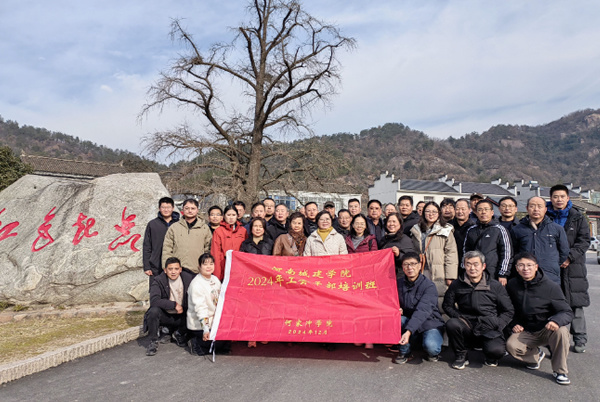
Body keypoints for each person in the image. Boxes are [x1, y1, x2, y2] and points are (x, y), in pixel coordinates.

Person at [506, 252, 574, 385]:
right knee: (511, 346)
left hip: (546, 328)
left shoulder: (550, 287)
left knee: (562, 331)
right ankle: (535, 356)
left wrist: (556, 321)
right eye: (521, 265)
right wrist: (513, 323)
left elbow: (566, 311)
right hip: (525, 330)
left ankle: (560, 371)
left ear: (536, 267)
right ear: (516, 268)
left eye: (529, 265)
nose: (526, 269)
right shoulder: (512, 285)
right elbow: (507, 309)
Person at [443, 251, 514, 369]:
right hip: (467, 324)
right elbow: (447, 306)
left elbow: (508, 311)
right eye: (468, 264)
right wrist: (459, 316)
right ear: (464, 265)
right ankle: (461, 355)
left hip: (489, 325)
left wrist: (497, 323)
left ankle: (489, 354)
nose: (472, 268)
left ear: (483, 266)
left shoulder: (495, 285)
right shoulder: (457, 284)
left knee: (496, 351)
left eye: (476, 264)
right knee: (452, 324)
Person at [546, 184, 590, 353]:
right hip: (551, 265)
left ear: (568, 198)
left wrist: (569, 257)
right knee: (552, 302)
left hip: (573, 267)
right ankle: (553, 338)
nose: (559, 200)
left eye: (562, 197)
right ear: (551, 198)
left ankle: (579, 338)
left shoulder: (577, 217)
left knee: (575, 303)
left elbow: (584, 240)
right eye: (555, 197)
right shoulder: (545, 215)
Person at [394, 252, 445, 364]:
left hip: (429, 322)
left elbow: (423, 311)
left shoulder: (429, 286)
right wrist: (397, 308)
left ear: (419, 265)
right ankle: (405, 351)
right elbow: (391, 301)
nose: (410, 267)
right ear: (402, 267)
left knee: (431, 347)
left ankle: (428, 348)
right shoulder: (398, 284)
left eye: (413, 264)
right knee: (398, 319)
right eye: (406, 264)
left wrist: (408, 332)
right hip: (410, 321)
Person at [512, 197, 570, 285]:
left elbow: (564, 251)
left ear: (545, 209)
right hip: (525, 275)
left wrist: (551, 263)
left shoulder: (557, 229)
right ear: (527, 208)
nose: (536, 209)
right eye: (532, 206)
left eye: (540, 206)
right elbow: (514, 252)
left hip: (550, 275)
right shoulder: (517, 229)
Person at [410, 202, 458, 306]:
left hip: (440, 270)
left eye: (434, 211)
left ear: (439, 213)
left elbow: (451, 254)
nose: (431, 214)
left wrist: (450, 276)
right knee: (422, 298)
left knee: (440, 298)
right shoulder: (416, 230)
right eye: (428, 211)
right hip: (421, 270)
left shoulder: (445, 230)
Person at [144, 257, 195, 356]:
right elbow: (154, 300)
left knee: (196, 310)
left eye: (176, 269)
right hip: (166, 315)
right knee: (153, 311)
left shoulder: (189, 278)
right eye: (170, 269)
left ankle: (178, 333)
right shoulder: (158, 280)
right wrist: (174, 304)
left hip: (183, 315)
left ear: (180, 269)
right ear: (165, 270)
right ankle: (153, 341)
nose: (173, 272)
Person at [187, 253, 231, 356]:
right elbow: (201, 308)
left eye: (211, 264)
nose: (208, 267)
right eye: (205, 264)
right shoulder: (196, 284)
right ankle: (195, 342)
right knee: (214, 344)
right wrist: (205, 329)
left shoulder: (215, 279)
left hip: (215, 319)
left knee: (226, 343)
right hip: (200, 323)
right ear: (199, 266)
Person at [463, 199, 512, 285]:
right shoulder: (471, 230)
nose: (483, 212)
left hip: (494, 273)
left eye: (486, 209)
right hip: (474, 272)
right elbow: (466, 251)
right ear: (476, 213)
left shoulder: (499, 230)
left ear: (492, 212)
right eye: (480, 210)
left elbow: (506, 253)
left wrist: (503, 273)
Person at [162, 199, 212, 273]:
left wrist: (206, 267)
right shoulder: (174, 227)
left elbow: (208, 249)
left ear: (197, 210)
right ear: (183, 209)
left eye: (193, 208)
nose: (190, 211)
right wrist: (166, 266)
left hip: (197, 270)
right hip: (177, 270)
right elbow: (167, 249)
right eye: (187, 208)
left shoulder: (204, 228)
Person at [143, 197, 180, 290]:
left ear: (173, 208)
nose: (166, 210)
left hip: (175, 264)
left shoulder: (179, 224)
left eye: (168, 207)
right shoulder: (152, 224)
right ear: (159, 208)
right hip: (156, 265)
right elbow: (147, 246)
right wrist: (147, 266)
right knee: (156, 291)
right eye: (163, 207)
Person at [211, 205, 247, 281]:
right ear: (224, 216)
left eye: (233, 215)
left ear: (237, 216)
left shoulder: (243, 231)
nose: (231, 217)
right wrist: (217, 275)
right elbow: (216, 254)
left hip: (239, 267)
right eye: (228, 215)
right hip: (224, 267)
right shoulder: (218, 231)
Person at [450, 198, 475, 270]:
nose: (460, 212)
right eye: (457, 209)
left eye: (463, 209)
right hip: (451, 264)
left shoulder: (474, 227)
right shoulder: (448, 226)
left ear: (469, 210)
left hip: (468, 265)